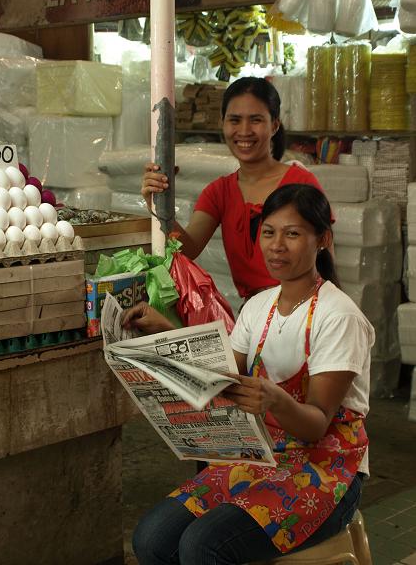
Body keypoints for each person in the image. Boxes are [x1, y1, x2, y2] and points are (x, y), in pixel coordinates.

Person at [122, 184, 374, 565]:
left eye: (293, 234)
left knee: (203, 546)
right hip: (261, 458)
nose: (277, 245)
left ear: (323, 239)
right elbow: (221, 374)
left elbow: (316, 425)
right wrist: (165, 334)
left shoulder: (338, 317)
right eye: (269, 232)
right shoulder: (258, 307)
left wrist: (276, 400)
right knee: (151, 539)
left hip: (325, 472)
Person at [142, 76, 329, 300]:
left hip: (302, 309)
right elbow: (188, 250)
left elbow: (327, 260)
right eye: (235, 120)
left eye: (256, 120)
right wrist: (157, 203)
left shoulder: (301, 184)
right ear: (223, 124)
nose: (244, 130)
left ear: (275, 125)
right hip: (253, 316)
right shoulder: (219, 192)